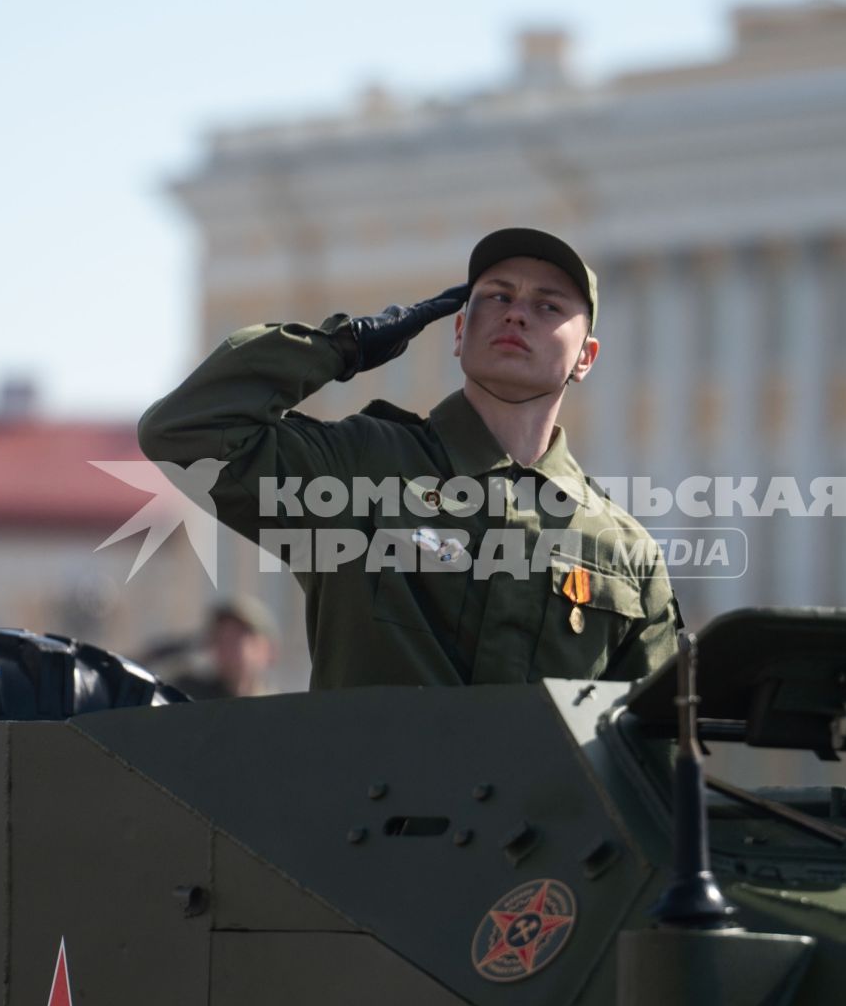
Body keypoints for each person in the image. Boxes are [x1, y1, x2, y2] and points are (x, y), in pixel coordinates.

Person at [139, 226, 680, 690]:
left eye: (548, 305)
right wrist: (344, 346)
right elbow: (183, 432)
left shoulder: (625, 551)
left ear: (585, 357)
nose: (516, 314)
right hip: (369, 812)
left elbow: (650, 752)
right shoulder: (356, 468)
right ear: (460, 330)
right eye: (495, 296)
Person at [173, 596, 278, 701]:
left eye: (236, 639)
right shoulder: (192, 695)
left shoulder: (278, 708)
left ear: (266, 650)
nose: (226, 648)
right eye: (221, 639)